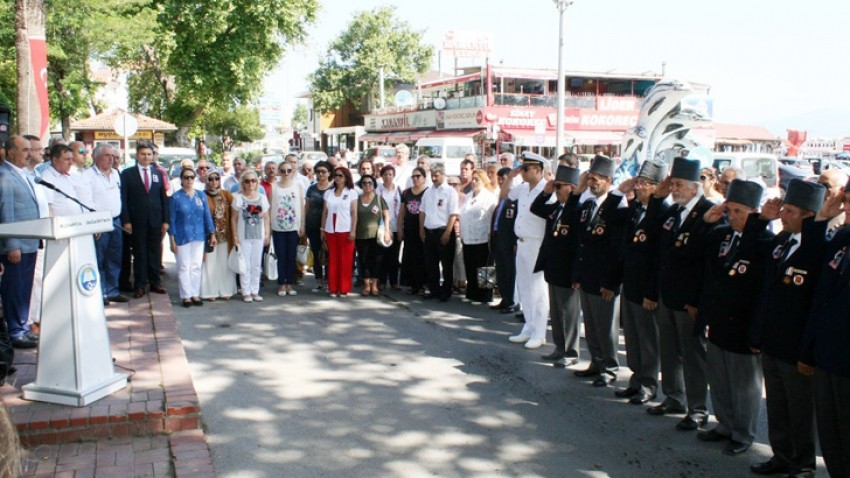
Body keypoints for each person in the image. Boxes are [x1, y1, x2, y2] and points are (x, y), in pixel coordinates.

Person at [749, 179, 828, 476]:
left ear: (809, 216)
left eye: (790, 210)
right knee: (778, 406)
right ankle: (781, 455)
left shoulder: (817, 248)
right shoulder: (781, 241)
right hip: (771, 339)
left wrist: (808, 351)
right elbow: (757, 261)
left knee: (800, 409)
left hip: (795, 345)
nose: (783, 214)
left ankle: (803, 462)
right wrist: (762, 221)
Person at [696, 179, 772, 456]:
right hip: (718, 320)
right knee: (719, 379)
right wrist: (707, 221)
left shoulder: (763, 241)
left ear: (754, 213)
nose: (732, 216)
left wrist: (758, 224)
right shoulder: (722, 235)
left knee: (744, 387)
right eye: (730, 210)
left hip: (743, 325)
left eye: (739, 211)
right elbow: (698, 250)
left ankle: (743, 433)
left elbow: (762, 287)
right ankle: (725, 425)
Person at [645, 157, 714, 432]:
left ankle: (697, 408)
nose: (673, 188)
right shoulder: (673, 211)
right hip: (667, 294)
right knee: (669, 351)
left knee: (693, 356)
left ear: (695, 187)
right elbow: (652, 235)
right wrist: (656, 197)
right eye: (672, 183)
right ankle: (673, 396)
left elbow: (704, 262)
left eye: (678, 184)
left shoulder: (708, 213)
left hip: (689, 299)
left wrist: (697, 301)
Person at [800, 182, 850, 476]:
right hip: (828, 352)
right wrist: (821, 219)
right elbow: (810, 261)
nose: (844, 206)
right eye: (845, 200)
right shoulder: (843, 236)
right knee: (831, 434)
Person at [570, 155, 629, 387]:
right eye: (590, 178)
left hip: (605, 278)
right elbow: (578, 239)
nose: (592, 183)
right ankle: (596, 361)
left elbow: (617, 249)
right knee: (592, 325)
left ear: (608, 180)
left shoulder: (616, 206)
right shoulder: (587, 204)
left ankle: (610, 367)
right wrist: (578, 190)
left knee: (606, 327)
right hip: (587, 275)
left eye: (596, 179)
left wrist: (611, 282)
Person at [614, 160, 668, 403]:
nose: (639, 187)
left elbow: (659, 258)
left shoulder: (662, 213)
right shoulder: (635, 209)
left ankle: (649, 384)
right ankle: (636, 380)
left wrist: (652, 292)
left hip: (647, 287)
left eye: (644, 183)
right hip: (630, 283)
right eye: (638, 182)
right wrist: (620, 191)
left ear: (657, 188)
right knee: (633, 338)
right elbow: (611, 218)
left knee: (648, 340)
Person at [531, 163, 581, 367]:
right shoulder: (557, 207)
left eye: (560, 186)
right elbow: (536, 208)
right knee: (558, 313)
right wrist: (546, 192)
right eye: (556, 186)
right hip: (553, 267)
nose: (557, 190)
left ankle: (571, 351)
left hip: (568, 269)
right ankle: (559, 347)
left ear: (572, 187)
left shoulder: (577, 209)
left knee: (569, 314)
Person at [501, 152, 550, 349]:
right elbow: (504, 195)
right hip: (521, 242)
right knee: (524, 287)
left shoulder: (545, 190)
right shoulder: (522, 188)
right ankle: (528, 327)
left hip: (536, 242)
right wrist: (511, 177)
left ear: (538, 170)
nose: (522, 172)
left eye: (526, 169)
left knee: (538, 290)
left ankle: (539, 332)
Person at [0, 136, 41, 348]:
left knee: (24, 289)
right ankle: (15, 331)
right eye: (24, 149)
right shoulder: (5, 176)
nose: (28, 153)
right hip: (17, 247)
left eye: (29, 149)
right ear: (10, 152)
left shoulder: (23, 174)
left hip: (30, 242)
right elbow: (6, 213)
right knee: (15, 289)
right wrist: (12, 244)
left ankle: (22, 327)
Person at [120, 142, 169, 299]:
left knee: (154, 252)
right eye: (143, 154)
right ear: (137, 155)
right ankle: (139, 285)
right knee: (140, 253)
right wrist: (126, 220)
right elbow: (124, 199)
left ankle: (155, 282)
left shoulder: (158, 173)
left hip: (155, 220)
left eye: (149, 154)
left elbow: (163, 198)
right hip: (136, 221)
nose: (146, 157)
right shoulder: (127, 174)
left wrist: (165, 220)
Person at [83, 144, 128, 305]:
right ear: (96, 157)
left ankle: (112, 290)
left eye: (112, 156)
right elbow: (86, 201)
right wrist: (92, 224)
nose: (111, 159)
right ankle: (101, 292)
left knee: (114, 258)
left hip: (115, 221)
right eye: (106, 155)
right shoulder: (88, 176)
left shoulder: (115, 174)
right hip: (99, 222)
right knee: (99, 258)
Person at [169, 167, 216, 307]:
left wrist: (212, 233)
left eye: (191, 177)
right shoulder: (175, 197)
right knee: (184, 266)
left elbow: (207, 215)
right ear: (181, 180)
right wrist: (172, 240)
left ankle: (195, 294)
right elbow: (171, 219)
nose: (189, 180)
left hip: (199, 235)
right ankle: (186, 296)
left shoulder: (201, 195)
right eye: (186, 177)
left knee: (196, 266)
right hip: (182, 236)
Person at [419, 163, 460, 302]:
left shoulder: (450, 192)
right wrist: (421, 229)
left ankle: (446, 291)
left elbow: (453, 213)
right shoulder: (428, 192)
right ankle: (434, 290)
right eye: (432, 175)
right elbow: (422, 212)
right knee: (431, 263)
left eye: (436, 175)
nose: (434, 178)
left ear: (443, 174)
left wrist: (448, 232)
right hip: (429, 231)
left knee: (446, 264)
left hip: (443, 230)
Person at [231, 170, 270, 302]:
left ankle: (255, 291)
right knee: (245, 265)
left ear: (257, 182)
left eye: (253, 180)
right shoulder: (237, 198)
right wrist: (235, 236)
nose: (250, 183)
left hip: (258, 236)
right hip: (243, 236)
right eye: (247, 181)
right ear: (242, 183)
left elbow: (266, 217)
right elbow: (233, 218)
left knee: (256, 264)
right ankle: (246, 291)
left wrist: (267, 234)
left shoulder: (262, 197)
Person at [459, 170, 497, 304]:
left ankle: (485, 295)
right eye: (473, 179)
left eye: (477, 180)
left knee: (484, 267)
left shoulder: (489, 197)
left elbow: (493, 218)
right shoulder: (468, 196)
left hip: (483, 238)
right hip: (468, 238)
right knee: (470, 266)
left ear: (484, 181)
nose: (474, 182)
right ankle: (473, 294)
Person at [201, 170, 237, 301]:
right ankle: (211, 291)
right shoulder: (202, 195)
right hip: (209, 236)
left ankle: (226, 290)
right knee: (210, 263)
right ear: (207, 181)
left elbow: (235, 213)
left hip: (225, 235)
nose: (214, 181)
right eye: (210, 179)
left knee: (224, 263)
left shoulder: (227, 195)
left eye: (216, 178)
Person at [270, 160, 305, 296]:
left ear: (293, 171)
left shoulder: (298, 187)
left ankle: (289, 283)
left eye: (289, 170)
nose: (286, 173)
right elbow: (270, 207)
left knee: (291, 256)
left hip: (293, 227)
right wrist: (269, 226)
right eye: (283, 170)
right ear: (279, 172)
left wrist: (302, 225)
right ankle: (281, 284)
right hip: (278, 227)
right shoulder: (274, 187)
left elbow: (301, 207)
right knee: (281, 256)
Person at [321, 166, 357, 297]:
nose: (337, 178)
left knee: (345, 260)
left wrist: (353, 230)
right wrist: (322, 229)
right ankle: (333, 288)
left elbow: (354, 213)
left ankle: (344, 288)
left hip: (345, 228)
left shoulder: (351, 193)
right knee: (333, 259)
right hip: (331, 228)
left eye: (340, 175)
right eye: (336, 175)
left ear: (346, 177)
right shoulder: (328, 193)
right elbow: (324, 213)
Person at [354, 174, 391, 296]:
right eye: (364, 183)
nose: (367, 185)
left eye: (370, 183)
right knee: (364, 260)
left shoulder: (379, 199)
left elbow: (386, 216)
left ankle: (374, 285)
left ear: (374, 185)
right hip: (361, 235)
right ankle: (366, 285)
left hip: (377, 235)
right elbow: (354, 217)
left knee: (376, 260)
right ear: (361, 185)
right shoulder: (357, 200)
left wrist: (387, 231)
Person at [490, 167, 519, 314]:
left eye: (504, 179)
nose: (501, 182)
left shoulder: (514, 199)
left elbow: (516, 223)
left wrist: (515, 242)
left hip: (508, 240)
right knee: (501, 271)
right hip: (498, 238)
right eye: (499, 179)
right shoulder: (501, 199)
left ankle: (511, 301)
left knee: (509, 271)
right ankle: (504, 298)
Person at [398, 167, 428, 295]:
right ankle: (413, 285)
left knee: (422, 258)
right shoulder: (406, 193)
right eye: (413, 176)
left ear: (424, 178)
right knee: (410, 257)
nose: (415, 179)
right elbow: (401, 213)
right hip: (409, 229)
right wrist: (400, 229)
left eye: (418, 176)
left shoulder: (427, 192)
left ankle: (422, 285)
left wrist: (423, 230)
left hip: (422, 229)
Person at [304, 161, 333, 293]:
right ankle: (318, 282)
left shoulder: (333, 189)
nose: (321, 174)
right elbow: (307, 207)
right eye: (318, 171)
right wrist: (303, 224)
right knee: (316, 253)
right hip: (312, 225)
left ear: (329, 173)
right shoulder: (311, 188)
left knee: (328, 254)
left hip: (329, 226)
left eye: (323, 171)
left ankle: (328, 281)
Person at [375, 165, 402, 290]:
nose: (388, 177)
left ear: (393, 175)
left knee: (394, 256)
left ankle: (394, 281)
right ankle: (382, 281)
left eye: (390, 174)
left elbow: (402, 209)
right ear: (382, 176)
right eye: (385, 174)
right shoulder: (378, 190)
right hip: (381, 226)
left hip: (395, 226)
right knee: (381, 256)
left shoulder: (398, 190)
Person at [41, 144, 85, 216]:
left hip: (76, 222)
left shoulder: (66, 175)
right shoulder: (46, 178)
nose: (71, 163)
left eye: (72, 159)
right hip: (61, 224)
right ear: (55, 160)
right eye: (67, 159)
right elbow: (47, 208)